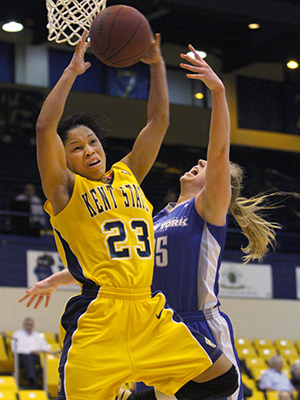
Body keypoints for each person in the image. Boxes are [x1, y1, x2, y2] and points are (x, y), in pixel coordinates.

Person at [19, 32, 238, 400]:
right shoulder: (64, 191)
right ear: (66, 159)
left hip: (147, 308)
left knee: (221, 379)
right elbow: (44, 129)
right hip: (100, 313)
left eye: (92, 141)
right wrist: (71, 71)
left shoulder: (127, 173)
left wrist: (155, 65)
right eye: (76, 148)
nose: (88, 150)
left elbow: (158, 121)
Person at [137, 44, 282, 400]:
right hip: (156, 331)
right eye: (200, 164)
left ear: (219, 187)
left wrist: (217, 91)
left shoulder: (207, 210)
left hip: (199, 327)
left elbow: (219, 153)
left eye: (206, 169)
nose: (198, 165)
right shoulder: (158, 217)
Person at [11, 317, 50, 388]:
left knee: (45, 360)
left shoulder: (37, 335)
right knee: (28, 358)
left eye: (31, 325)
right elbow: (15, 349)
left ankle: (47, 382)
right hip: (22, 357)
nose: (29, 327)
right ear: (24, 325)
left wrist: (40, 350)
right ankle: (32, 381)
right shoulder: (18, 334)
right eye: (27, 325)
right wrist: (30, 351)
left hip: (36, 357)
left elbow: (46, 348)